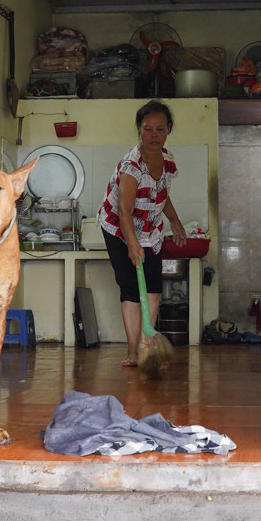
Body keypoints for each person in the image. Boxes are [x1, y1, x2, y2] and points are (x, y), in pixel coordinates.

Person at [98, 100, 187, 367]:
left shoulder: (167, 160)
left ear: (168, 130)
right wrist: (132, 244)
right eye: (148, 129)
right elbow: (124, 210)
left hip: (150, 229)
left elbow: (161, 194)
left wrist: (175, 221)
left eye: (160, 129)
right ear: (140, 129)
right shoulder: (132, 166)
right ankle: (133, 352)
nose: (154, 135)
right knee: (131, 289)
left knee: (153, 291)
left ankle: (147, 347)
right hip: (118, 228)